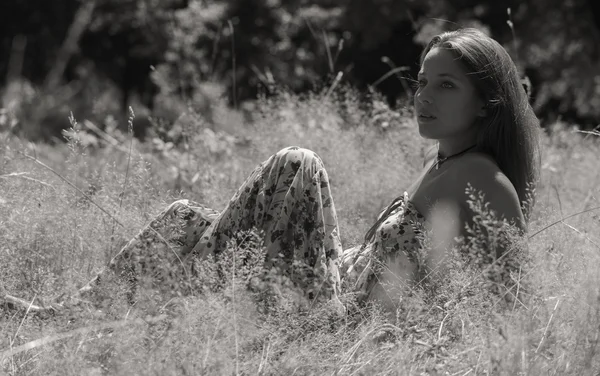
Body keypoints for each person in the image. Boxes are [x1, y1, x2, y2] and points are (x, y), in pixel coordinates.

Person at [81, 27, 541, 311]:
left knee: (299, 163)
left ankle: (185, 303)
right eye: (421, 82)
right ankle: (83, 311)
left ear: (486, 103)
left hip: (335, 313)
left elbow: (510, 293)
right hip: (332, 279)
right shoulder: (442, 162)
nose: (423, 97)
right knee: (183, 216)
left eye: (445, 85)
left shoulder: (483, 177)